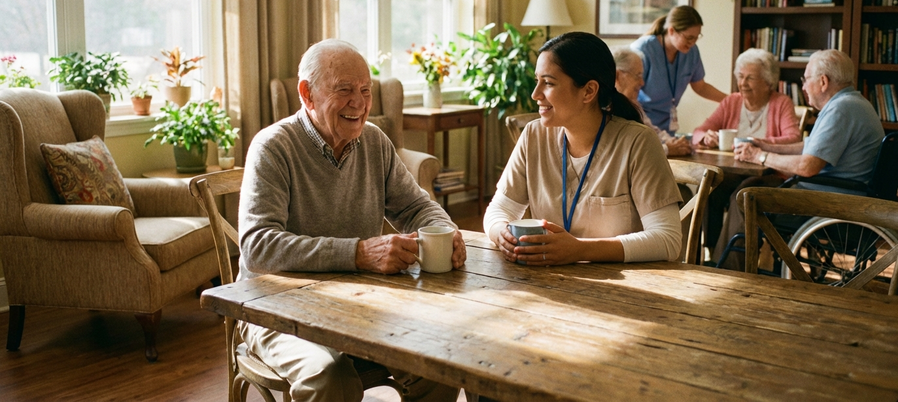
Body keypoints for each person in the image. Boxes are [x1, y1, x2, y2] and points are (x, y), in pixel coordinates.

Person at [238, 39, 466, 402]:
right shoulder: (273, 147)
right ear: (306, 94)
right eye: (344, 90)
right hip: (276, 309)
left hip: (359, 304)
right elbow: (258, 248)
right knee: (329, 377)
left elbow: (415, 207)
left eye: (365, 90)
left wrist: (446, 231)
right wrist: (358, 254)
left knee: (440, 360)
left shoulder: (374, 142)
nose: (358, 103)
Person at [483, 32, 683, 265]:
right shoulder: (533, 135)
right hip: (550, 281)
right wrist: (501, 234)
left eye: (548, 83)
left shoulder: (638, 142)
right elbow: (499, 210)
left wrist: (580, 250)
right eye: (537, 80)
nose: (535, 94)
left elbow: (667, 240)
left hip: (622, 290)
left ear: (589, 91)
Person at [714, 49, 884, 268]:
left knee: (745, 196)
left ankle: (730, 269)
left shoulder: (840, 109)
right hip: (845, 193)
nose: (803, 86)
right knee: (748, 186)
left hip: (832, 202)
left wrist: (760, 155)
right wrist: (767, 145)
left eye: (806, 79)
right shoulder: (852, 103)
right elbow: (811, 147)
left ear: (823, 81)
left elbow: (808, 166)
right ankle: (727, 263)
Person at [691, 48, 802, 252]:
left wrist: (756, 143)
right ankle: (712, 251)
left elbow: (794, 138)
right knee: (709, 189)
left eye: (750, 78)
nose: (743, 83)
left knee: (742, 194)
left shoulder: (781, 103)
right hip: (733, 172)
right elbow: (698, 131)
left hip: (770, 173)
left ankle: (730, 258)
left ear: (768, 82)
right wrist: (706, 137)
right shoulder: (731, 101)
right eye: (740, 76)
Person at [631, 5, 727, 133]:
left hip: (668, 127)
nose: (692, 43)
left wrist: (731, 100)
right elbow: (627, 94)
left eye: (696, 37)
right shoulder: (643, 50)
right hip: (640, 124)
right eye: (689, 38)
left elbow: (700, 86)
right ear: (671, 31)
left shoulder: (691, 52)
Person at [611, 46, 692, 156]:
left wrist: (674, 142)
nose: (642, 83)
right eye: (638, 76)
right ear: (617, 75)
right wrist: (668, 149)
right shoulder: (605, 108)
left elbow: (652, 132)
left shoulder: (633, 104)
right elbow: (626, 152)